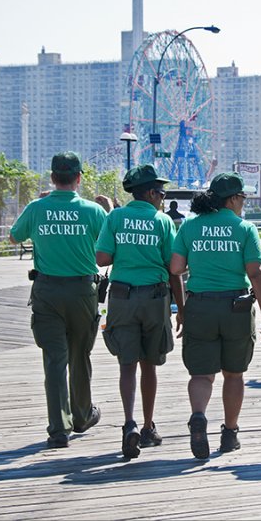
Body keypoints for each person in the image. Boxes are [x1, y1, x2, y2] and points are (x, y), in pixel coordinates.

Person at [170, 172, 261, 459]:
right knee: (234, 373)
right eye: (242, 197)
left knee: (201, 374)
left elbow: (176, 268)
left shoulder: (190, 225)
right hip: (235, 308)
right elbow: (255, 273)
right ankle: (229, 433)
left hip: (200, 306)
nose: (244, 203)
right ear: (232, 199)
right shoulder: (244, 228)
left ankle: (199, 416)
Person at [9, 152, 106, 449]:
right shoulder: (93, 211)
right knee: (80, 355)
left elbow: (15, 237)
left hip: (47, 291)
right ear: (79, 178)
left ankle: (58, 428)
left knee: (54, 360)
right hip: (82, 292)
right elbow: (107, 249)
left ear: (52, 178)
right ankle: (82, 415)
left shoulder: (37, 208)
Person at [95, 164, 185, 460]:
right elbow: (174, 269)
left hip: (121, 297)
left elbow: (102, 257)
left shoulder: (115, 217)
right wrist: (181, 309)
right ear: (149, 193)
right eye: (160, 192)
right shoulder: (162, 222)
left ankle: (129, 423)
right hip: (154, 298)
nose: (162, 197)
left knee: (126, 364)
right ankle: (148, 427)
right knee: (150, 364)